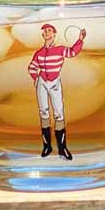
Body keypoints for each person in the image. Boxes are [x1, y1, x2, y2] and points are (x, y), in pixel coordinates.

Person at [27, 23, 85, 159]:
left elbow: (72, 52)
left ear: (54, 34)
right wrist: (36, 79)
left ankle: (62, 148)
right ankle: (47, 146)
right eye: (45, 31)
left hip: (54, 83)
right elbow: (32, 67)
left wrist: (80, 40)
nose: (47, 33)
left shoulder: (60, 50)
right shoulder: (39, 53)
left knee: (59, 113)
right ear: (42, 35)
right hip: (42, 83)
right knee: (43, 112)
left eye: (49, 30)